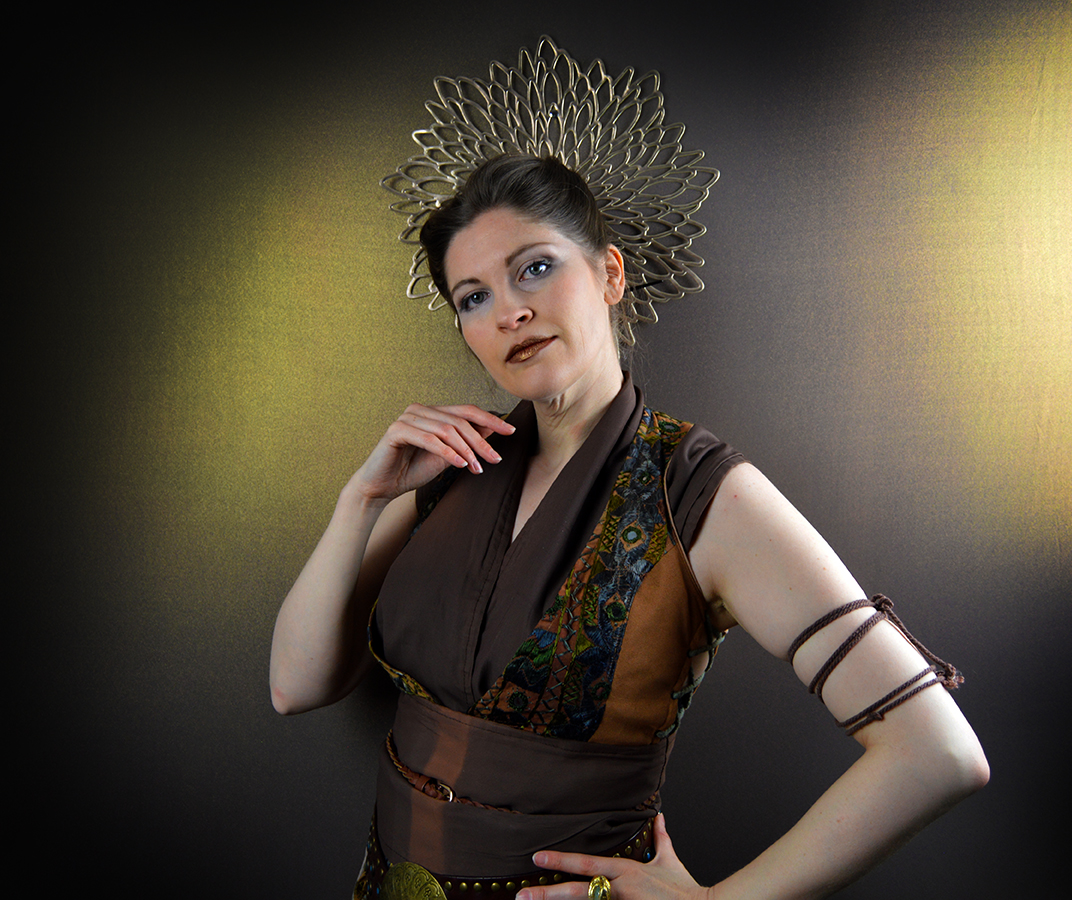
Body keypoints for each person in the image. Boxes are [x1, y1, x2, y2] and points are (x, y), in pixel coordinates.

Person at [269, 44, 988, 900]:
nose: (511, 311)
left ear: (609, 273)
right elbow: (296, 686)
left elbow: (938, 754)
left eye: (535, 268)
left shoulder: (702, 494)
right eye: (474, 297)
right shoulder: (456, 469)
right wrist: (361, 499)